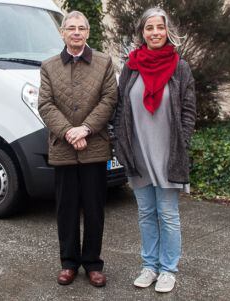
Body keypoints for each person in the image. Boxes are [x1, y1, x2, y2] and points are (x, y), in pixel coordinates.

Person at [111, 7, 196, 293]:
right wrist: (121, 144)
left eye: (160, 27)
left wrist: (181, 146)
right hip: (138, 152)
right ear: (142, 33)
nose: (155, 32)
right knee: (146, 213)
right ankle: (149, 266)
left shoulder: (180, 67)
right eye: (150, 28)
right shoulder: (131, 67)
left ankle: (168, 269)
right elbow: (121, 107)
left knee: (168, 214)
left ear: (167, 30)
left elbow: (188, 111)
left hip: (167, 153)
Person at [37, 11, 117, 287]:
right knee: (66, 209)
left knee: (95, 209)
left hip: (94, 147)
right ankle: (69, 263)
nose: (76, 32)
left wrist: (85, 129)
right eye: (70, 28)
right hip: (63, 148)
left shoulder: (104, 63)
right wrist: (69, 132)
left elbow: (109, 99)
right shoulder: (48, 67)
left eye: (81, 28)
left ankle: (93, 264)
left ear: (88, 32)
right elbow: (45, 104)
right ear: (62, 33)